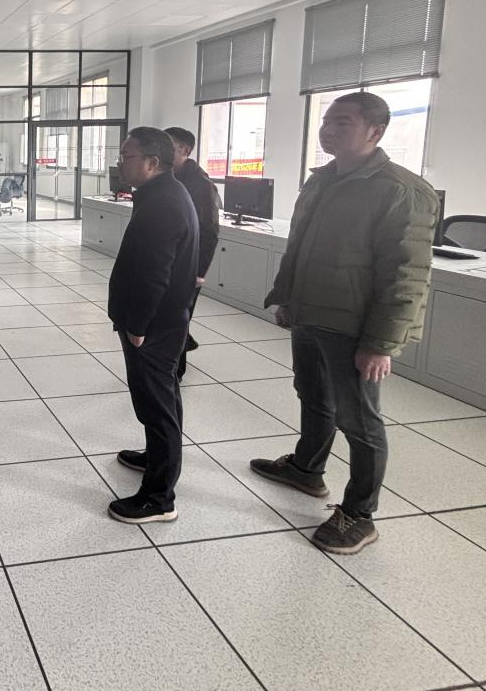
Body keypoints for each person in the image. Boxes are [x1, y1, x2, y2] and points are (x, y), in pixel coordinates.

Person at [251, 91, 436, 554]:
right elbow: (299, 246)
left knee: (360, 421)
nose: (328, 130)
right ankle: (306, 469)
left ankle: (359, 513)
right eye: (326, 121)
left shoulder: (401, 191)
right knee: (313, 396)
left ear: (375, 131)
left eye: (343, 123)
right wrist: (286, 297)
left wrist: (381, 343)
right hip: (310, 313)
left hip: (354, 328)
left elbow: (406, 275)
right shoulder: (322, 180)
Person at [106, 127, 198, 525]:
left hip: (154, 325)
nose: (120, 162)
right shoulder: (162, 194)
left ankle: (160, 498)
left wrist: (138, 324)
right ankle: (155, 458)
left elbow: (154, 274)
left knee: (157, 407)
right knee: (160, 399)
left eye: (127, 156)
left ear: (152, 162)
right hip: (162, 320)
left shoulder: (163, 203)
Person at [163, 126, 221, 378]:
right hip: (167, 259)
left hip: (187, 264)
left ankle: (176, 371)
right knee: (167, 316)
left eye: (168, 146)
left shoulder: (200, 184)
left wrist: (199, 271)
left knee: (178, 318)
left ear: (185, 150)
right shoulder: (167, 176)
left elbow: (209, 231)